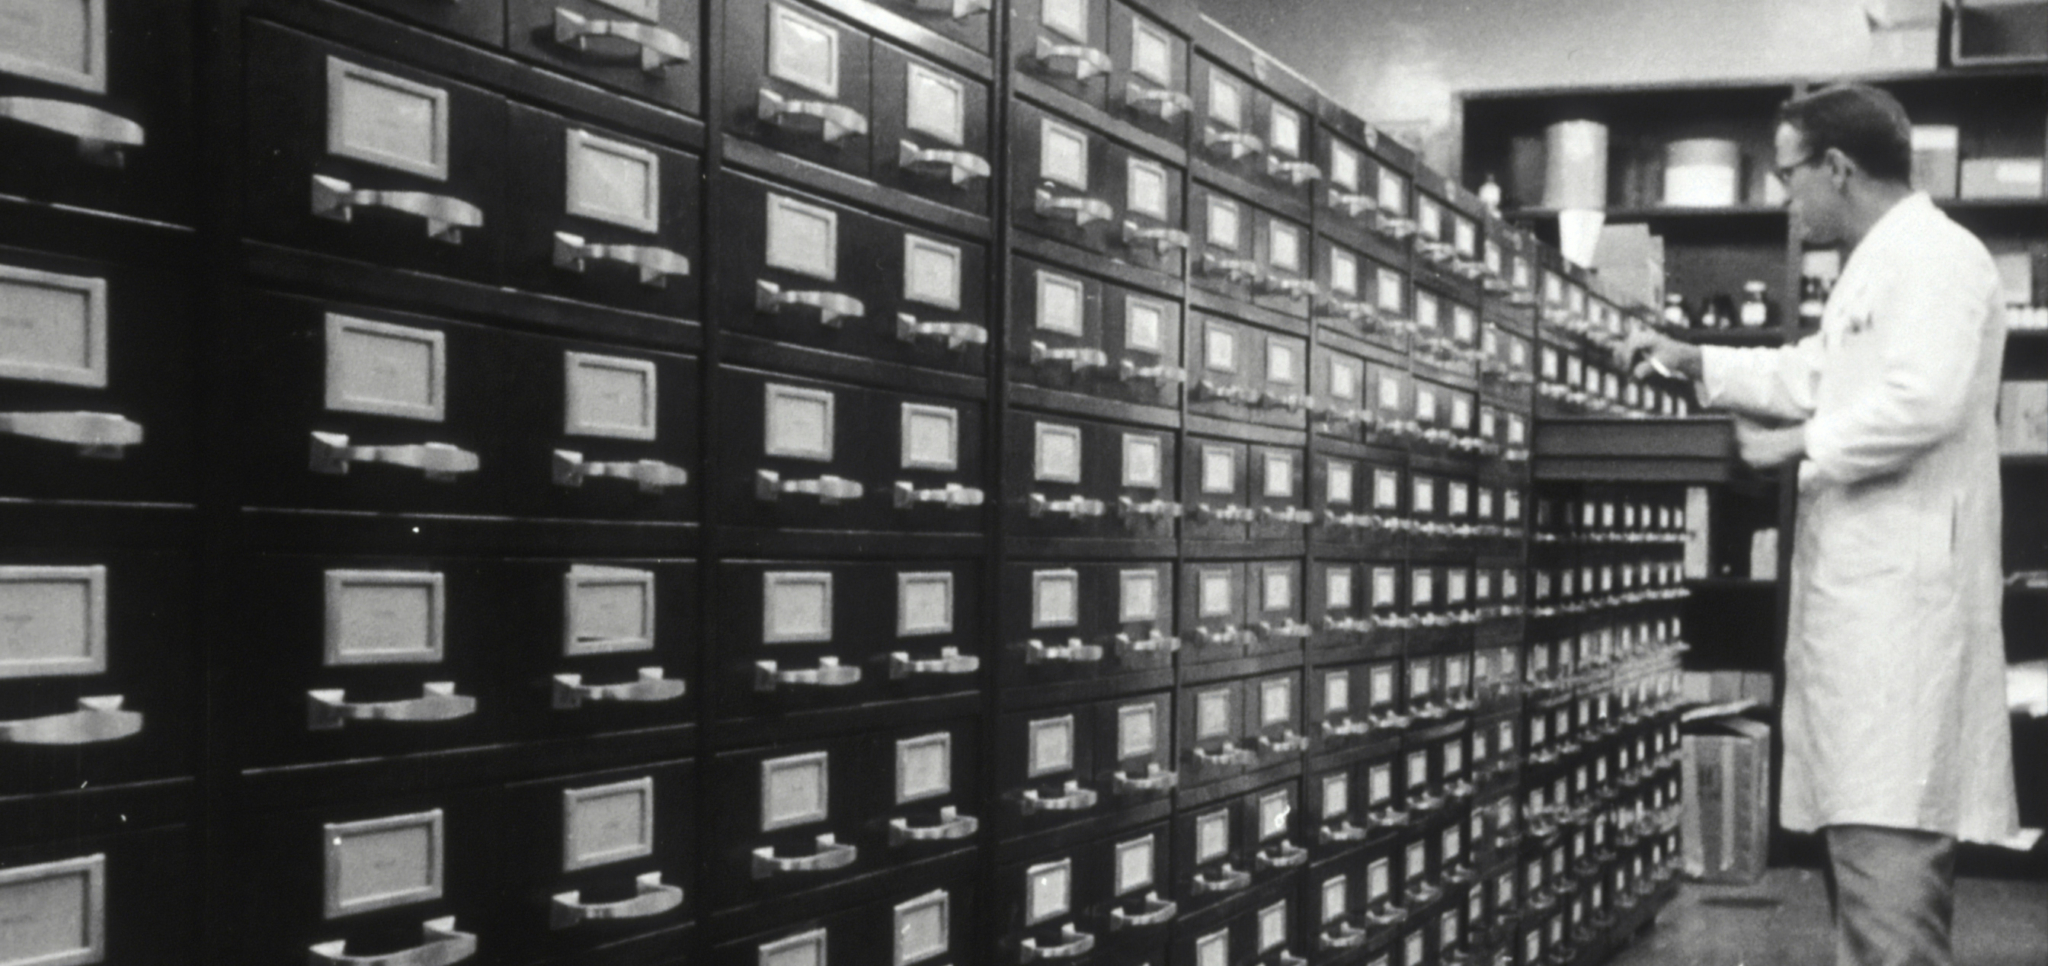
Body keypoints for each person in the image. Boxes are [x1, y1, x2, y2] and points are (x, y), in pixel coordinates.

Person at [1616, 84, 2020, 966]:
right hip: (1863, 625)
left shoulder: (1938, 258)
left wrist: (1795, 446)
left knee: (1889, 893)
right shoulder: (1878, 266)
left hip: (1901, 630)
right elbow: (1819, 372)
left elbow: (1925, 401)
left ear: (1837, 167)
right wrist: (1700, 361)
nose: (1785, 195)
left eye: (1789, 173)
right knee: (1864, 887)